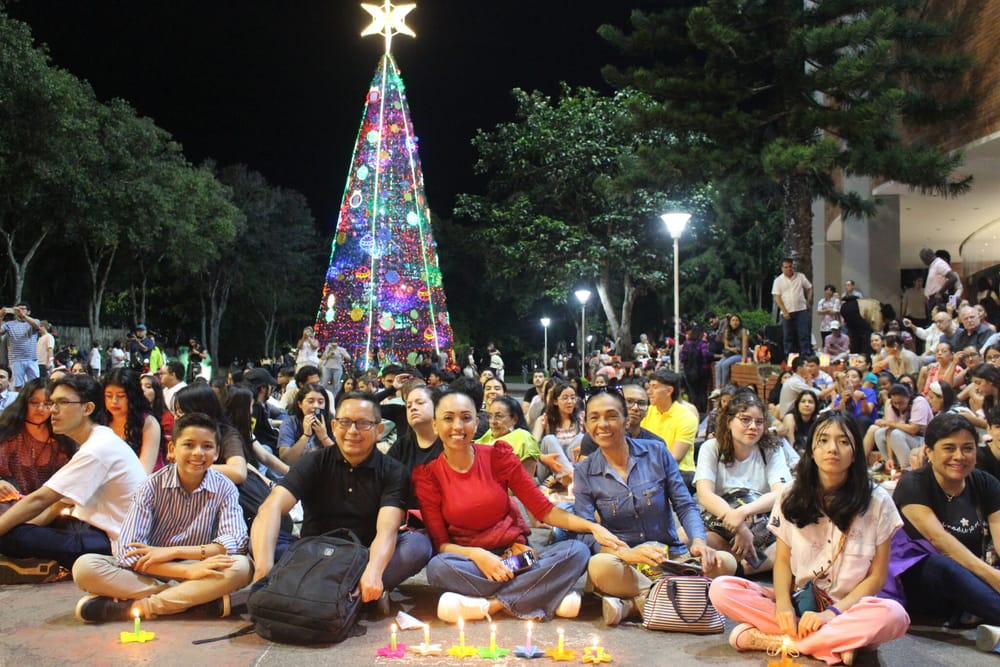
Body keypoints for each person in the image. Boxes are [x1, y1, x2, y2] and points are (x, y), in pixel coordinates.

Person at [710, 412, 909, 665]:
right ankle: (836, 645)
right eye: (823, 440)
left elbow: (877, 577)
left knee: (893, 615)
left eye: (843, 442)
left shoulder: (878, 501)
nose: (832, 449)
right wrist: (783, 607)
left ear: (856, 451)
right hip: (799, 602)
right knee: (721, 589)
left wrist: (832, 613)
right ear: (811, 449)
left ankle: (786, 642)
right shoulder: (791, 494)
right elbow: (782, 561)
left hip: (850, 609)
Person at [411, 390, 625, 623]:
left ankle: (492, 605)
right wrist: (478, 555)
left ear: (476, 422)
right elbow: (441, 545)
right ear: (434, 425)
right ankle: (541, 595)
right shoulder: (429, 476)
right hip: (472, 563)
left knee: (577, 551)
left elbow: (544, 510)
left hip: (516, 559)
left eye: (466, 417)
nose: (458, 426)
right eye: (448, 418)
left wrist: (592, 528)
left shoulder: (497, 457)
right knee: (438, 568)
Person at [251, 392, 433, 614]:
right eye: (346, 422)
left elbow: (387, 530)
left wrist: (374, 572)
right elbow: (272, 507)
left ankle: (332, 591)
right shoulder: (315, 461)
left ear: (379, 430)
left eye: (363, 423)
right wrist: (263, 572)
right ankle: (350, 597)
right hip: (312, 555)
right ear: (335, 426)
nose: (353, 431)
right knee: (261, 530)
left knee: (417, 547)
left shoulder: (393, 470)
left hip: (362, 558)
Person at [72, 412, 252, 622]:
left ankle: (144, 606)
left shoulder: (224, 487)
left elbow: (235, 541)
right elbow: (127, 551)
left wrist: (174, 553)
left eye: (207, 446)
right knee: (85, 568)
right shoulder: (151, 485)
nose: (198, 453)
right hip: (151, 570)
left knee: (241, 567)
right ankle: (197, 599)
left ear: (216, 452)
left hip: (200, 566)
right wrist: (187, 574)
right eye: (189, 445)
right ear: (172, 449)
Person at [574, 389, 731, 626]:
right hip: (625, 562)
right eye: (594, 418)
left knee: (726, 562)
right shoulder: (584, 472)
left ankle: (633, 604)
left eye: (611, 416)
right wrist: (626, 553)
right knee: (599, 566)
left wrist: (699, 541)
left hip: (670, 557)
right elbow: (586, 533)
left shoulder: (657, 452)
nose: (603, 424)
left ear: (627, 420)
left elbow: (685, 505)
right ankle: (684, 596)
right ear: (585, 424)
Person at [0, 374, 145, 582]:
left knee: (12, 535)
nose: (52, 410)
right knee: (17, 527)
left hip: (116, 541)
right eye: (53, 403)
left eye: (63, 403)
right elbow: (55, 504)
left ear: (87, 409)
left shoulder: (96, 449)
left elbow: (41, 499)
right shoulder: (96, 439)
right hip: (97, 529)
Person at [885, 413, 1000, 627]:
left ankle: (975, 613)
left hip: (973, 577)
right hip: (923, 583)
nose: (959, 456)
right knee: (942, 564)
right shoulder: (913, 484)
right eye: (949, 448)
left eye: (967, 448)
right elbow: (940, 542)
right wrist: (993, 578)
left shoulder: (986, 483)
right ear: (928, 451)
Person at [695, 389, 791, 575]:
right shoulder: (711, 448)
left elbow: (781, 493)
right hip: (722, 523)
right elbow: (705, 494)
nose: (753, 426)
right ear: (729, 421)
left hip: (764, 527)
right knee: (686, 537)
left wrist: (743, 513)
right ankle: (731, 564)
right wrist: (739, 527)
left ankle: (740, 570)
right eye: (745, 420)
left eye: (759, 422)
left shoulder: (771, 449)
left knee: (792, 540)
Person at [0, 378, 75, 508]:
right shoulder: (8, 434)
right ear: (24, 403)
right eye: (34, 402)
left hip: (50, 508)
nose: (41, 408)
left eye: (47, 403)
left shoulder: (62, 437)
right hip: (9, 505)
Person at [641, 369, 699, 486]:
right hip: (647, 467)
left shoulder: (686, 417)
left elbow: (674, 457)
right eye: (649, 387)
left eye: (654, 387)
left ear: (669, 391)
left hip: (679, 471)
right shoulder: (646, 413)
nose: (649, 392)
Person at [102, 368, 164, 474]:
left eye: (121, 396)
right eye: (108, 396)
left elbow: (144, 471)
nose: (114, 401)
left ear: (133, 396)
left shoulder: (148, 423)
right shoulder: (102, 421)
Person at [869, 384, 933, 471]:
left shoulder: (919, 402)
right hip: (903, 437)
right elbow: (889, 431)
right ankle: (892, 465)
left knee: (896, 434)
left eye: (901, 402)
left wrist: (893, 424)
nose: (898, 406)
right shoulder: (892, 405)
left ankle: (907, 469)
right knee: (879, 433)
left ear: (909, 397)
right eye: (895, 403)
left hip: (924, 441)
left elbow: (913, 429)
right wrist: (890, 458)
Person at [476, 395, 540, 476]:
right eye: (490, 416)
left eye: (498, 416)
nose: (492, 421)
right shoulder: (488, 434)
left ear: (514, 419)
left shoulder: (523, 437)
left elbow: (527, 480)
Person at [276, 383, 335, 465]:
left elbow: (339, 457)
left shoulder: (331, 422)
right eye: (310, 401)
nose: (316, 406)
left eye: (320, 402)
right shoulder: (290, 423)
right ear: (300, 404)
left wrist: (324, 438)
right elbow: (286, 459)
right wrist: (306, 435)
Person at [772, 258, 814, 358]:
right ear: (782, 268)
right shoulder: (778, 281)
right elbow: (777, 297)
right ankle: (789, 357)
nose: (789, 269)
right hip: (787, 311)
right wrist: (784, 311)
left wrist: (808, 301)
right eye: (786, 267)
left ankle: (806, 355)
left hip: (801, 309)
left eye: (790, 266)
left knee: (804, 334)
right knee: (788, 336)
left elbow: (809, 288)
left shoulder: (800, 276)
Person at [2, 303, 41, 388]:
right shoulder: (9, 324)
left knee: (35, 384)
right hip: (16, 359)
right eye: (18, 309)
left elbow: (37, 326)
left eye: (23, 309)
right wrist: (1, 316)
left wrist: (24, 316)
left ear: (28, 312)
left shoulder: (34, 321)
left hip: (32, 358)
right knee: (16, 385)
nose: (20, 311)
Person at [715, 314, 749, 390]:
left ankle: (724, 387)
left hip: (739, 354)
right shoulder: (727, 331)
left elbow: (744, 346)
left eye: (737, 320)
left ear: (740, 322)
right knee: (718, 365)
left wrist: (744, 360)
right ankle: (717, 387)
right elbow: (726, 346)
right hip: (731, 353)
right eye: (733, 320)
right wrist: (732, 349)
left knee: (725, 364)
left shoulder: (743, 331)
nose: (735, 322)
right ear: (729, 322)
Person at [783, 390, 819, 455]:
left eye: (810, 402)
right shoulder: (790, 418)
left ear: (815, 406)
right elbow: (790, 447)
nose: (807, 404)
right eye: (803, 401)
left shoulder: (817, 419)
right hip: (794, 456)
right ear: (797, 404)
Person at [139, 373, 174, 441]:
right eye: (139, 386)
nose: (142, 389)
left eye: (148, 386)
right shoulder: (133, 414)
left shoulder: (167, 418)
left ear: (157, 392)